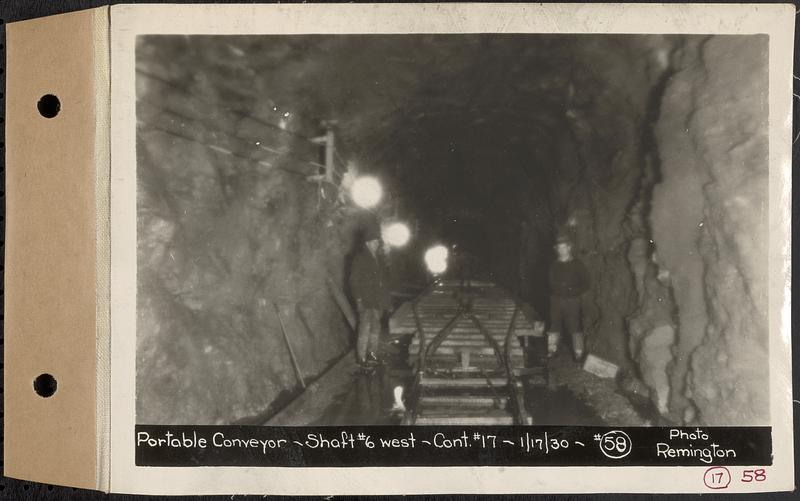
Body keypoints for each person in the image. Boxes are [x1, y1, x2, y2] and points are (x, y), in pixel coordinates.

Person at [349, 216, 392, 367]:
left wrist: (386, 302)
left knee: (375, 329)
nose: (376, 244)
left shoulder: (377, 258)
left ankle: (371, 354)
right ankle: (361, 358)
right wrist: (358, 300)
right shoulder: (360, 258)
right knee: (365, 330)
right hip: (366, 301)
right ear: (367, 243)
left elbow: (382, 283)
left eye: (377, 242)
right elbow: (354, 281)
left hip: (376, 301)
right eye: (374, 242)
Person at [547, 235, 591, 361]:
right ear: (557, 249)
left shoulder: (577, 264)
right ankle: (552, 350)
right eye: (559, 248)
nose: (561, 250)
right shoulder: (554, 265)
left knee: (575, 326)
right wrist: (556, 291)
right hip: (556, 299)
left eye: (564, 247)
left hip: (572, 300)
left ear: (569, 248)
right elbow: (550, 281)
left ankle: (578, 353)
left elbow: (586, 282)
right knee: (554, 325)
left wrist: (573, 291)